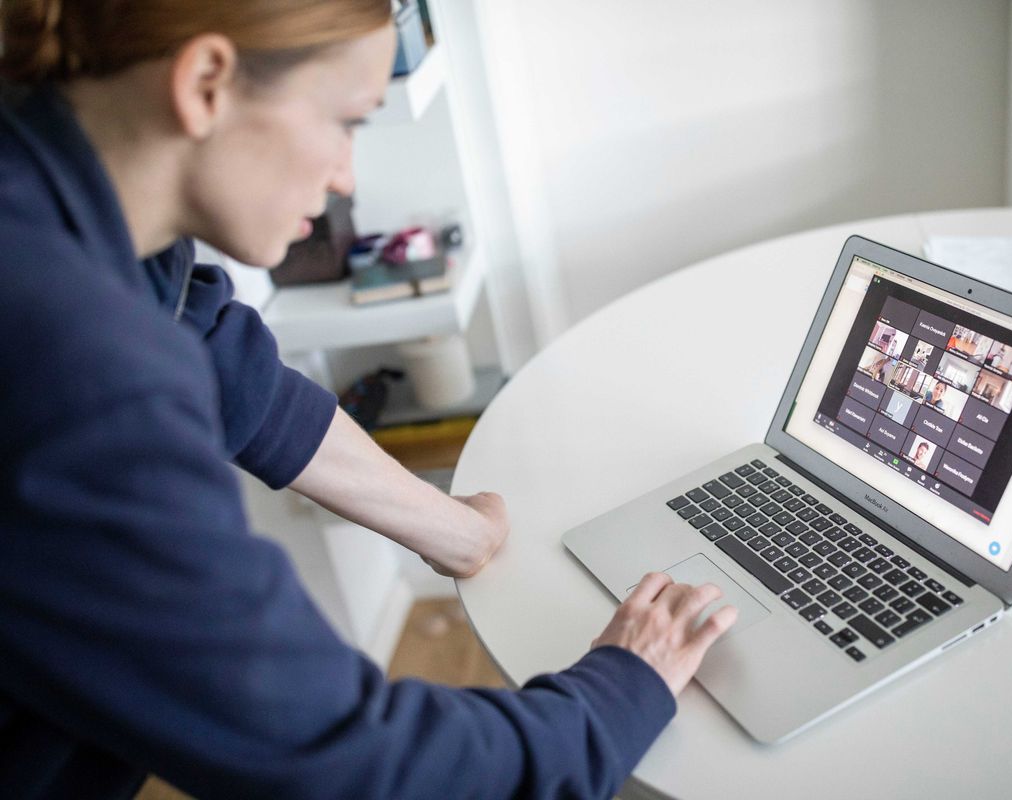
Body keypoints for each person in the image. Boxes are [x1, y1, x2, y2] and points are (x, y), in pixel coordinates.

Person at [0, 2, 737, 798]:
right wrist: (625, 686)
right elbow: (351, 763)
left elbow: (222, 358)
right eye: (347, 120)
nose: (346, 175)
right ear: (206, 82)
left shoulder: (61, 197)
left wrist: (452, 527)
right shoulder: (76, 368)